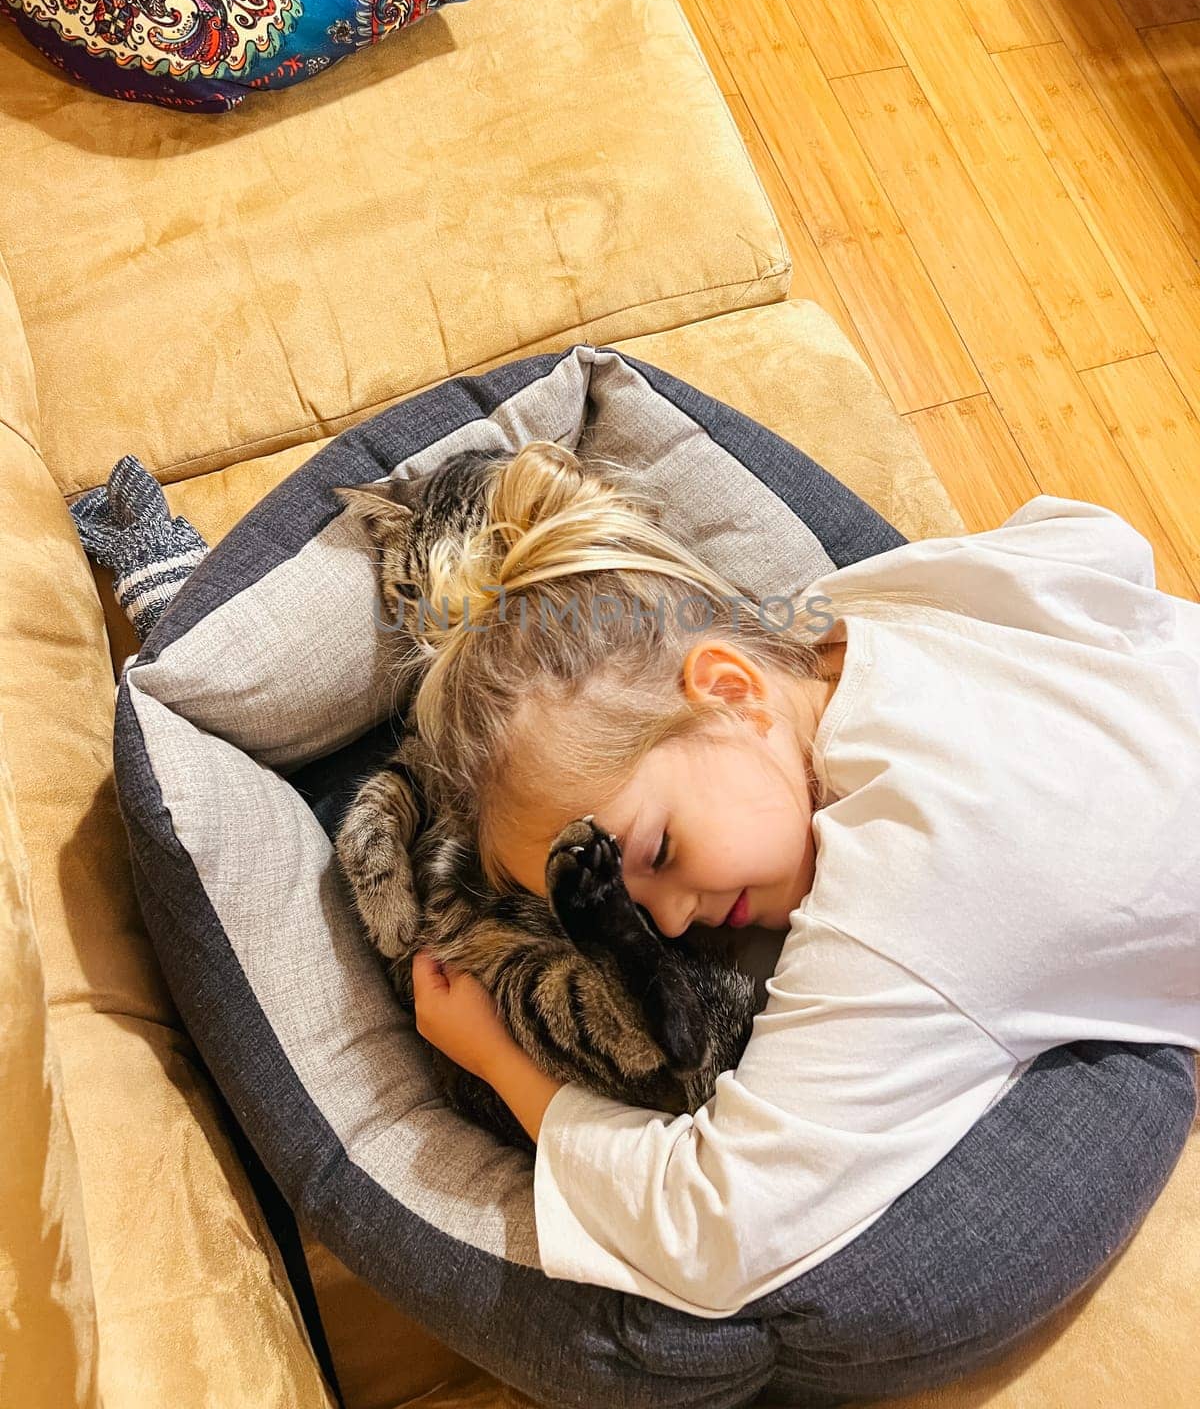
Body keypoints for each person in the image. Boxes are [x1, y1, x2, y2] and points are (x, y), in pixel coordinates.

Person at [406, 439, 1200, 1320]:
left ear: (732, 693)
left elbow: (716, 1230)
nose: (666, 925)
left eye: (658, 851)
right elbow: (1096, 540)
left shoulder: (906, 893)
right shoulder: (847, 615)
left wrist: (501, 1063)